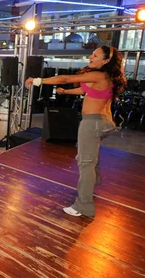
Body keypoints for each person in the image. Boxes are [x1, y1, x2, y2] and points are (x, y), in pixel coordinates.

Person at [25, 46, 126, 218]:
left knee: (85, 162)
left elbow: (65, 78)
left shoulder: (99, 75)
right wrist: (67, 92)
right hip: (103, 122)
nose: (90, 57)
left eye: (95, 55)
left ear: (106, 60)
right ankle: (94, 182)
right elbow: (85, 90)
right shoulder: (106, 77)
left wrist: (38, 81)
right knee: (90, 158)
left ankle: (84, 205)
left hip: (92, 123)